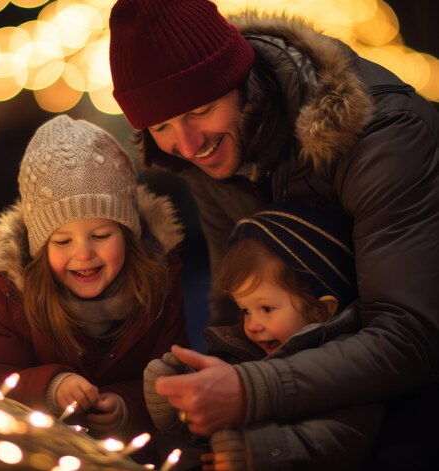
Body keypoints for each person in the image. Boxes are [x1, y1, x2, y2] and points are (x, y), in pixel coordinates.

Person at [108, 0, 439, 468]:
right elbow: (233, 308)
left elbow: (412, 336)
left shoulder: (381, 132)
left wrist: (250, 390)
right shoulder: (204, 156)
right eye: (161, 125)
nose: (186, 145)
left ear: (242, 83)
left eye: (201, 109)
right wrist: (197, 383)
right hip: (332, 378)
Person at [0, 115, 189, 462]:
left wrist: (126, 406)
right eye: (62, 240)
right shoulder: (6, 297)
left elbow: (172, 377)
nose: (83, 253)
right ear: (39, 247)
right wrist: (49, 388)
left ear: (128, 233)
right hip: (29, 456)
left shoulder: (157, 288)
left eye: (100, 235)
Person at [144, 202, 381, 470]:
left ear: (320, 310)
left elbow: (346, 438)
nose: (252, 326)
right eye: (245, 310)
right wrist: (177, 403)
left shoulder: (342, 366)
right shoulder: (241, 352)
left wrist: (263, 450)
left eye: (266, 308)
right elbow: (203, 430)